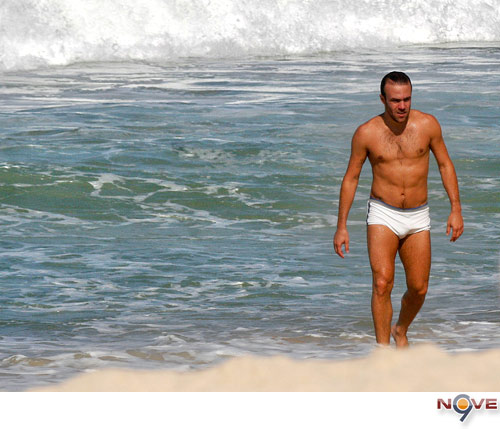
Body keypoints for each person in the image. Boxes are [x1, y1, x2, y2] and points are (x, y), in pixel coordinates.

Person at [333, 71, 464, 347]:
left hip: (418, 215)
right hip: (383, 212)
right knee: (382, 283)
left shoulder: (427, 125)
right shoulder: (366, 133)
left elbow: (445, 165)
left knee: (419, 288)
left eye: (406, 99)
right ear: (382, 99)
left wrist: (456, 209)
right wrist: (341, 226)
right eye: (395, 100)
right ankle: (382, 353)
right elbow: (351, 178)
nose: (402, 106)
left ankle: (400, 329)